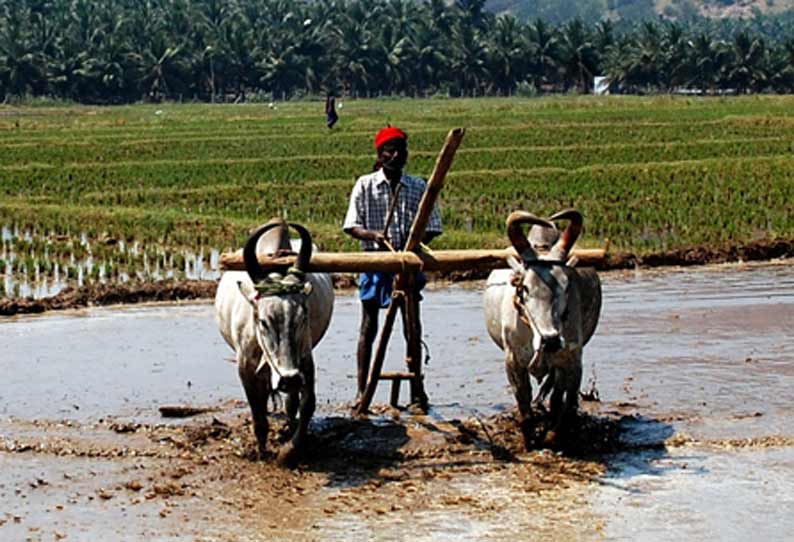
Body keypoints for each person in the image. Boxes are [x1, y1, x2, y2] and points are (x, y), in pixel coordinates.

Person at [343, 126, 442, 408]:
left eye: (400, 150)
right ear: (380, 154)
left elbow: (433, 226)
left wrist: (413, 243)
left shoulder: (418, 187)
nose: (395, 155)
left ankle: (417, 391)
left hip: (407, 266)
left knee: (412, 329)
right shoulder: (365, 185)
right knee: (368, 328)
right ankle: (362, 391)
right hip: (375, 264)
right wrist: (374, 235)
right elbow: (352, 226)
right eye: (390, 150)